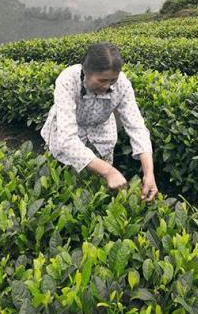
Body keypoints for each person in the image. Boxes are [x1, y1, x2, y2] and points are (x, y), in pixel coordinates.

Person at [40, 42, 159, 201]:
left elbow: (137, 127)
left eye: (112, 80)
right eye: (102, 80)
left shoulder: (122, 85)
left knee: (98, 190)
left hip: (101, 136)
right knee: (65, 186)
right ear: (85, 71)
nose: (108, 86)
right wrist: (109, 171)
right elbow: (67, 138)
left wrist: (149, 174)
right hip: (67, 135)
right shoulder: (68, 79)